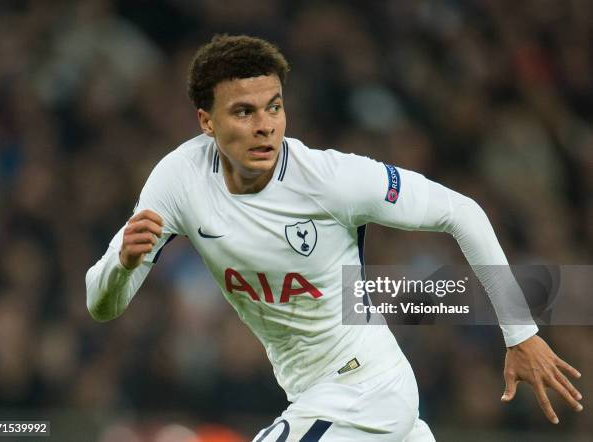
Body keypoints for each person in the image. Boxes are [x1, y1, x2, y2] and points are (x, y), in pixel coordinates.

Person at [85, 35, 583, 441]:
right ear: (206, 122)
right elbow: (102, 305)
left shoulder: (330, 179)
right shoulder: (178, 179)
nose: (265, 127)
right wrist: (124, 265)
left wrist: (521, 333)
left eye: (274, 107)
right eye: (244, 112)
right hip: (320, 399)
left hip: (365, 387)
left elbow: (462, 211)